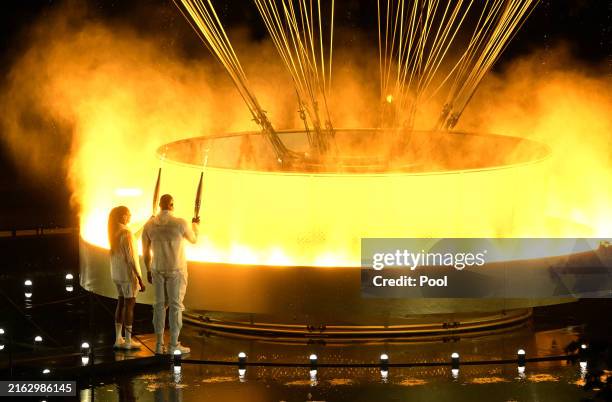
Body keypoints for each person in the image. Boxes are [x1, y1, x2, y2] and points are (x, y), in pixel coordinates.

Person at [143, 194, 199, 355]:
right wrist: (195, 226)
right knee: (175, 306)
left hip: (157, 268)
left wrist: (148, 269)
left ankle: (159, 345)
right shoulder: (180, 223)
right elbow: (194, 240)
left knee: (159, 306)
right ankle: (174, 344)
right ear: (172, 205)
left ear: (160, 205)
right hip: (176, 269)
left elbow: (146, 252)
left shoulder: (149, 225)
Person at [108, 206, 145, 350]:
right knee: (130, 305)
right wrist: (140, 278)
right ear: (122, 216)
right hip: (127, 274)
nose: (130, 217)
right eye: (128, 215)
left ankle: (118, 338)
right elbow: (131, 259)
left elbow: (133, 233)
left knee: (121, 302)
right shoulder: (126, 233)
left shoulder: (113, 231)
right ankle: (129, 341)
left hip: (116, 274)